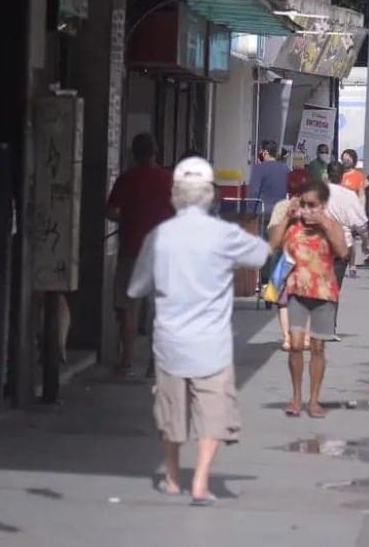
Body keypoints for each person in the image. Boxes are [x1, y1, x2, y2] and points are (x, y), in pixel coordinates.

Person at [128, 156, 269, 506]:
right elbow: (261, 255)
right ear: (211, 195)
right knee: (213, 414)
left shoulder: (159, 236)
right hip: (212, 345)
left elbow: (136, 288)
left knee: (171, 415)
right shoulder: (224, 234)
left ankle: (173, 477)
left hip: (170, 343)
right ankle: (202, 481)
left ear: (175, 193)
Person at [269, 180, 351, 419]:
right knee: (295, 344)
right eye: (303, 203)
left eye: (311, 204)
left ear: (322, 205)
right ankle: (296, 397)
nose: (306, 209)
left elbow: (343, 252)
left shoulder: (332, 224)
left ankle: (313, 400)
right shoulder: (293, 225)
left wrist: (324, 223)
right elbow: (273, 244)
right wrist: (287, 216)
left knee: (317, 346)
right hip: (296, 290)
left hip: (324, 292)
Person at [108, 133, 175, 376]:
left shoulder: (127, 179)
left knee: (129, 308)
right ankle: (154, 364)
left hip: (132, 250)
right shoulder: (168, 180)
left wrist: (127, 219)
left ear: (134, 154)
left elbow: (111, 210)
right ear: (155, 152)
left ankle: (125, 360)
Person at [267, 169, 311, 350]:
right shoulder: (313, 206)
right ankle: (306, 337)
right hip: (308, 258)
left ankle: (287, 338)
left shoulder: (281, 207)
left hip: (284, 257)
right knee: (308, 298)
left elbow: (272, 232)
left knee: (283, 299)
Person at [326, 160, 368, 286]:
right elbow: (361, 225)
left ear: (327, 175)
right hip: (342, 245)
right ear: (342, 176)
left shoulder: (316, 192)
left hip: (318, 244)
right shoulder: (349, 196)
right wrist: (366, 243)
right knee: (335, 286)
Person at [249, 139, 290, 226]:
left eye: (260, 150)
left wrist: (250, 211)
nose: (259, 153)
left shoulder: (259, 168)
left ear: (265, 152)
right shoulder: (286, 169)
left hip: (264, 211)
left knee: (262, 237)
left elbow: (254, 192)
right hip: (281, 211)